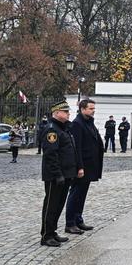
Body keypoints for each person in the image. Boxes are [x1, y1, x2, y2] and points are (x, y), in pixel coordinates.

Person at [40, 100, 83, 247]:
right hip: (55, 176)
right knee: (51, 205)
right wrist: (57, 174)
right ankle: (46, 235)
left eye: (68, 111)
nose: (68, 114)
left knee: (58, 206)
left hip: (65, 174)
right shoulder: (52, 130)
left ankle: (52, 232)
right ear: (56, 113)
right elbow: (51, 155)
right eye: (65, 112)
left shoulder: (64, 129)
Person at [65, 99, 104, 235]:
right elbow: (77, 148)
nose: (93, 111)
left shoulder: (89, 122)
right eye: (91, 108)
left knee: (82, 195)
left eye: (94, 108)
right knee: (75, 194)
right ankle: (70, 223)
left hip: (90, 166)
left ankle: (78, 219)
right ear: (82, 109)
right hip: (82, 167)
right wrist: (79, 167)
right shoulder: (77, 124)